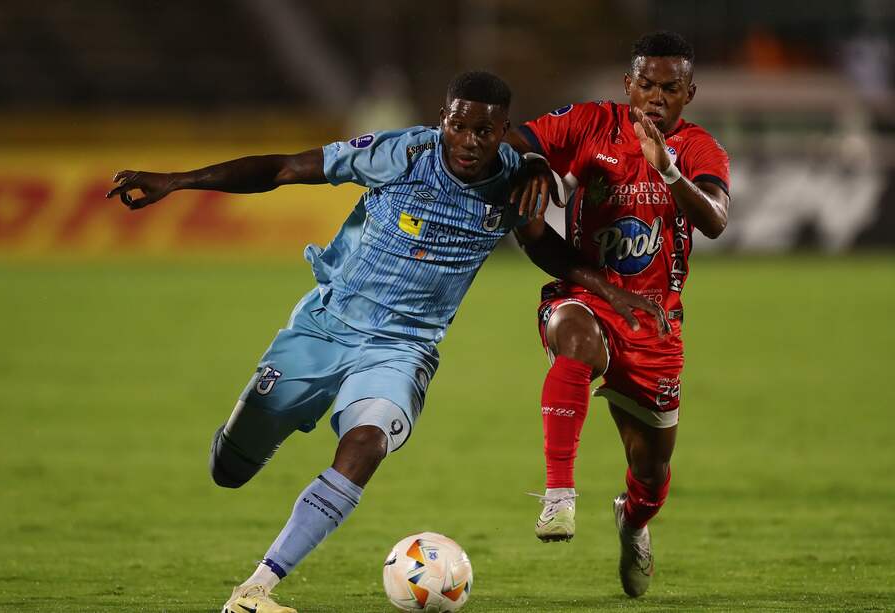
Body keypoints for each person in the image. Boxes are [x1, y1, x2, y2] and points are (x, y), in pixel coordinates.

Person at [106, 71, 661, 613]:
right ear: (444, 119)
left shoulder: (516, 181)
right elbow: (283, 169)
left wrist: (609, 289)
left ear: (503, 132)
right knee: (229, 470)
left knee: (367, 442)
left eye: (484, 132)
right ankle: (245, 440)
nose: (469, 142)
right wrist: (177, 181)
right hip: (324, 326)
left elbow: (545, 250)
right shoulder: (403, 154)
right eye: (459, 126)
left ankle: (257, 588)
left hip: (402, 349)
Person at [507, 31, 731, 597]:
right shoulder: (589, 123)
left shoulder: (701, 148)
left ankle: (633, 521)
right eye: (647, 84)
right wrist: (535, 161)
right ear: (628, 84)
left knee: (651, 474)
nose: (656, 97)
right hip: (588, 297)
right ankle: (559, 495)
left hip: (655, 326)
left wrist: (670, 172)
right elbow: (516, 139)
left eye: (670, 88)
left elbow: (716, 221)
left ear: (690, 92)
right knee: (574, 338)